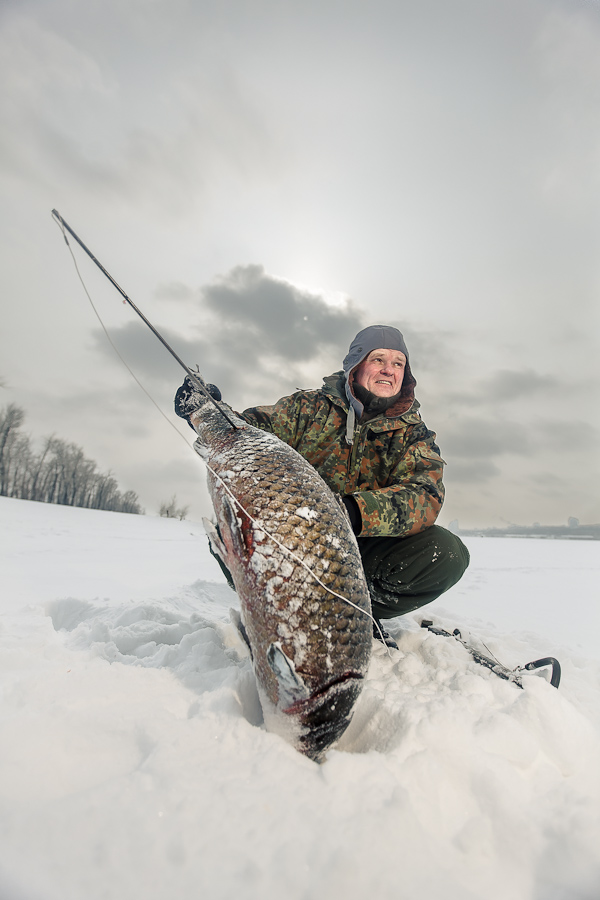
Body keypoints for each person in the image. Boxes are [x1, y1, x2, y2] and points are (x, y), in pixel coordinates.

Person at [175, 324, 469, 648]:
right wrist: (205, 412)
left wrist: (351, 512)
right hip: (293, 541)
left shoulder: (414, 435)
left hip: (363, 551)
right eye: (379, 359)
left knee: (447, 553)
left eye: (398, 363)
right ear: (356, 366)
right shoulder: (308, 408)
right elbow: (247, 432)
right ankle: (279, 610)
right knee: (231, 524)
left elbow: (425, 496)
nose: (389, 369)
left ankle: (355, 614)